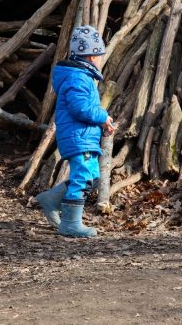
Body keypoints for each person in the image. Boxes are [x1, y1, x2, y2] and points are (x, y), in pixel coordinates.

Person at [35, 26, 116, 238]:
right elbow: (80, 108)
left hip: (82, 135)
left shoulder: (80, 76)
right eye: (100, 55)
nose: (100, 59)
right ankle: (70, 223)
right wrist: (102, 116)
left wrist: (101, 122)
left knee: (90, 176)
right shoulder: (78, 78)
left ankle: (52, 199)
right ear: (91, 56)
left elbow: (83, 108)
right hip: (78, 137)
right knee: (83, 178)